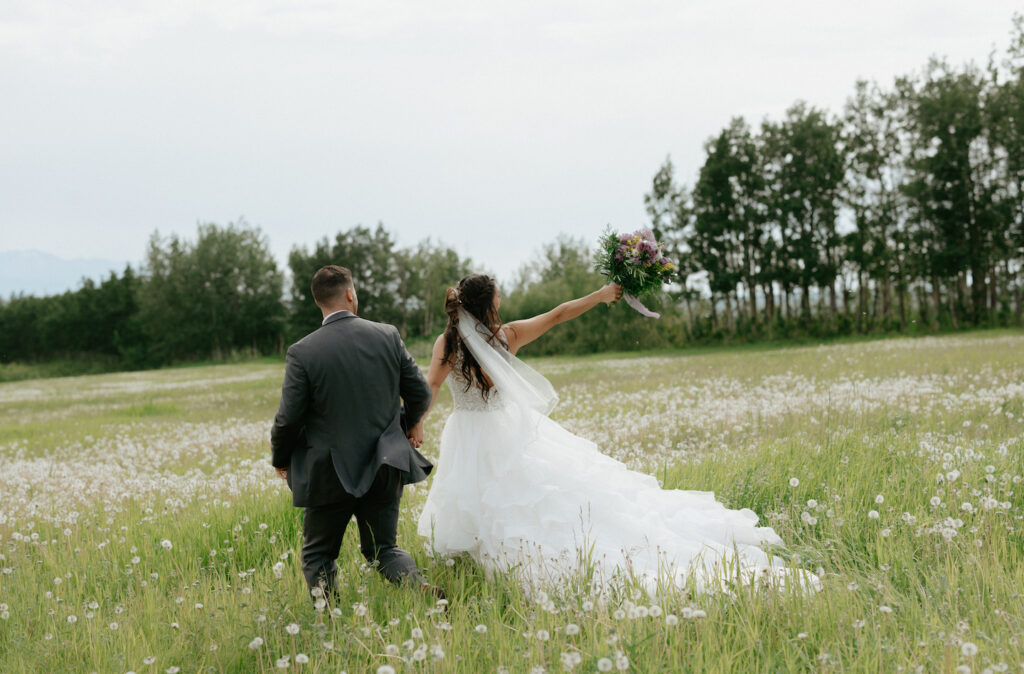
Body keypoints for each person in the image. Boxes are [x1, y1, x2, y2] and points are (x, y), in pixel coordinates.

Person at [413, 273, 811, 593]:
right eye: (498, 297)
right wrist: (601, 294)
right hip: (502, 428)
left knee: (478, 492)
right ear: (490, 304)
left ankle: (482, 555)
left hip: (466, 431)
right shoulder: (507, 336)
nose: (501, 302)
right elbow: (558, 314)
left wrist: (417, 422)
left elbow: (430, 386)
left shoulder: (447, 340)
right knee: (519, 491)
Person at [271, 265, 438, 600]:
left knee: (319, 554)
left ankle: (328, 625)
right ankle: (418, 588)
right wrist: (404, 426)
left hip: (328, 470)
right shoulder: (388, 335)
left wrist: (281, 458)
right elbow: (420, 392)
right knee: (383, 549)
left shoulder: (302, 352)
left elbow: (289, 418)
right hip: (385, 462)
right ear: (350, 294)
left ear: (318, 301)